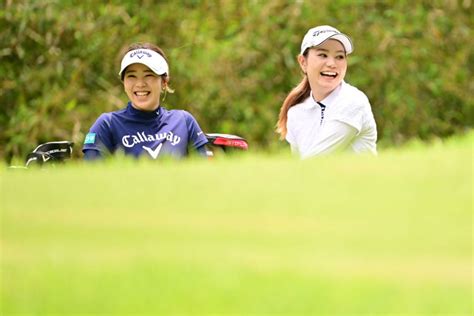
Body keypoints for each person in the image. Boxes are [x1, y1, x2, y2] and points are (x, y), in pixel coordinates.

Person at [82, 43, 209, 160]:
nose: (140, 84)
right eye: (131, 76)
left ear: (164, 82)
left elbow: (203, 175)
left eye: (149, 75)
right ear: (124, 83)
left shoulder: (184, 121)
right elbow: (92, 177)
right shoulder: (107, 125)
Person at [276, 25, 377, 158]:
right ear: (303, 62)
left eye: (339, 57)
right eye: (323, 55)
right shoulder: (296, 113)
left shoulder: (353, 101)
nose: (332, 63)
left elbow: (317, 161)